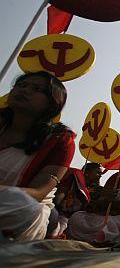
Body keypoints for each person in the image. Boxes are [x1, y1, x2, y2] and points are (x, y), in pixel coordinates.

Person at [0, 71, 75, 241]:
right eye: (21, 86)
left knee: (21, 203)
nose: (24, 90)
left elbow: (39, 192)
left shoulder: (60, 139)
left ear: (53, 102)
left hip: (17, 210)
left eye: (36, 89)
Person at [51, 163, 103, 237]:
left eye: (101, 174)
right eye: (98, 172)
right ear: (87, 172)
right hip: (56, 212)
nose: (100, 175)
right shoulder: (74, 178)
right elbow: (58, 198)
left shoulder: (93, 190)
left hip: (72, 220)